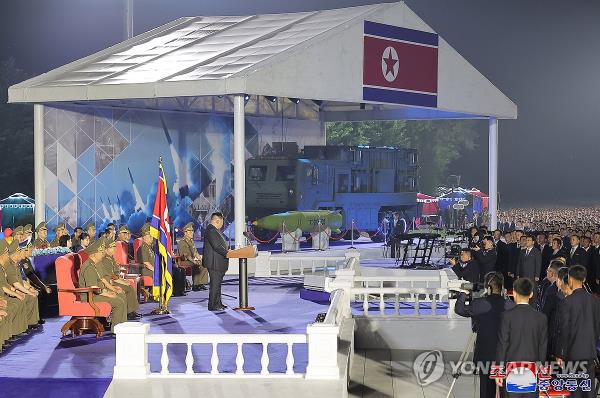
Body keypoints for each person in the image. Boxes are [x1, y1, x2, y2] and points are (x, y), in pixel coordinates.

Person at [455, 272, 515, 398]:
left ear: (487, 287)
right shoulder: (510, 305)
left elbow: (460, 309)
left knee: (486, 390)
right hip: (506, 356)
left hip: (485, 355)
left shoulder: (479, 303)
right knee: (505, 388)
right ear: (502, 287)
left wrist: (463, 294)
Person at [496, 278, 547, 397]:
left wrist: (498, 371)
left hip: (511, 368)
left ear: (513, 293)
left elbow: (502, 345)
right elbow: (542, 346)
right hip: (532, 368)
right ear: (531, 294)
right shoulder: (541, 318)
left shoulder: (506, 316)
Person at [556, 265, 600, 398]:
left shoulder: (567, 301)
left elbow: (564, 329)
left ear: (569, 279)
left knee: (574, 389)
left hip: (572, 352)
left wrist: (560, 353)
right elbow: (597, 327)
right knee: (587, 389)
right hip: (590, 352)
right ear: (584, 279)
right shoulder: (595, 300)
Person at [78, 239, 127, 334]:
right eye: (100, 252)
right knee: (118, 301)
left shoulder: (95, 264)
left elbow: (102, 280)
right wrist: (108, 294)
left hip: (97, 293)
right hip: (90, 297)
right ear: (93, 254)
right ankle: (116, 330)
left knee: (121, 295)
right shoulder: (89, 267)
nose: (103, 253)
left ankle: (122, 325)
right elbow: (93, 288)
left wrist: (112, 289)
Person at [99, 238, 141, 320]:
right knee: (128, 288)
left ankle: (131, 311)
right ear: (106, 249)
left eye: (115, 247)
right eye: (112, 247)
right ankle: (129, 312)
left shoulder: (110, 258)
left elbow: (115, 273)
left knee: (129, 286)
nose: (115, 249)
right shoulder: (105, 260)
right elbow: (111, 276)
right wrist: (122, 282)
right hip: (109, 282)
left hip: (114, 279)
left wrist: (122, 280)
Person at [203, 212, 230, 311]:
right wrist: (227, 253)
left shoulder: (214, 230)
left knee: (217, 284)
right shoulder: (212, 231)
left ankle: (218, 303)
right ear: (217, 220)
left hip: (217, 262)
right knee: (215, 285)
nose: (222, 224)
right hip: (215, 263)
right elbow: (217, 246)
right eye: (222, 222)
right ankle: (212, 305)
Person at [534, 260, 561, 359]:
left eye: (548, 270)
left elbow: (545, 311)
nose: (546, 272)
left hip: (550, 328)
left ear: (552, 273)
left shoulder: (551, 289)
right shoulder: (550, 285)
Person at [177, 222, 208, 291]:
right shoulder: (182, 242)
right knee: (196, 264)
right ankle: (195, 285)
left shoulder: (191, 241)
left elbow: (195, 252)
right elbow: (186, 255)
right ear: (185, 233)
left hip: (190, 260)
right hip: (183, 261)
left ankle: (201, 283)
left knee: (204, 264)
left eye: (192, 231)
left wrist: (201, 259)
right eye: (190, 232)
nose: (192, 233)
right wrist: (194, 261)